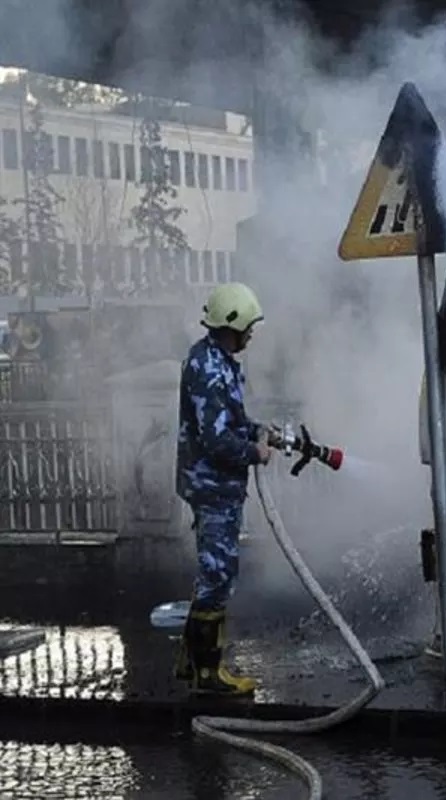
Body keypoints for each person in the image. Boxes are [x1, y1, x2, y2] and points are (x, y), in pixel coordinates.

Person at [173, 282, 273, 695]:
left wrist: (256, 430)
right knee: (217, 577)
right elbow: (216, 441)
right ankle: (210, 675)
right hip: (212, 487)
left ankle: (189, 661)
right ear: (231, 326)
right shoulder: (211, 369)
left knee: (210, 575)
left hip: (215, 486)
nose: (251, 335)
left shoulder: (216, 360)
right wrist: (256, 452)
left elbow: (228, 421)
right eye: (248, 328)